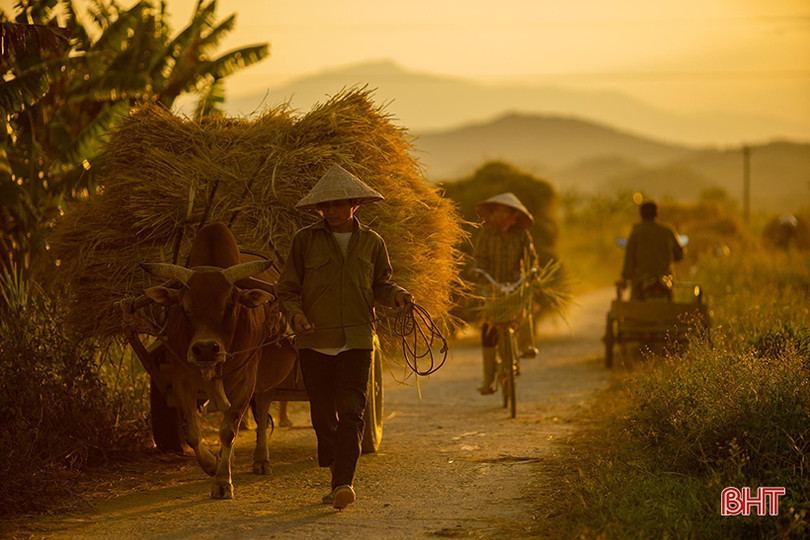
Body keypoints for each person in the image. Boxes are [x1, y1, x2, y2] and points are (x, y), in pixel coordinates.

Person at [276, 164, 412, 510]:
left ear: (355, 205)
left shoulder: (372, 242)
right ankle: (336, 471)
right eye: (326, 206)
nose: (332, 211)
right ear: (319, 209)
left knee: (352, 412)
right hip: (314, 342)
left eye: (339, 204)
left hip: (356, 340)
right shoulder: (304, 241)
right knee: (323, 417)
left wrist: (397, 295)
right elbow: (287, 289)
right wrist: (296, 315)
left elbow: (381, 284)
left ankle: (343, 483)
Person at [472, 192, 538, 395]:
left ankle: (527, 346)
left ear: (513, 216)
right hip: (491, 285)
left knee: (524, 307)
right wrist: (478, 271)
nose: (499, 216)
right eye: (497, 212)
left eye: (504, 212)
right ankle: (488, 379)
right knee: (489, 328)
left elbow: (531, 259)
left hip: (515, 284)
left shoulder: (521, 235)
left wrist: (533, 271)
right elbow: (479, 258)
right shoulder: (486, 233)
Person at [620, 201, 685, 300]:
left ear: (641, 215)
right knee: (672, 306)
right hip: (665, 277)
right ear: (657, 214)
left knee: (634, 308)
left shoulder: (636, 232)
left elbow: (629, 259)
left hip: (641, 279)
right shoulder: (668, 230)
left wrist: (625, 278)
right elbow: (680, 254)